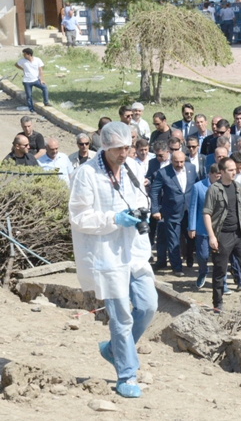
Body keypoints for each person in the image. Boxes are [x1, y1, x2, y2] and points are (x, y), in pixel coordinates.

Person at [68, 121, 157, 398]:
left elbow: (142, 198)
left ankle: (113, 349)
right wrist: (114, 219)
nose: (124, 153)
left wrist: (141, 211)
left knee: (148, 306)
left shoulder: (132, 167)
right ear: (105, 146)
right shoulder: (87, 174)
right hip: (106, 253)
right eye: (118, 148)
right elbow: (79, 216)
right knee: (121, 317)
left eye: (127, 147)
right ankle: (127, 374)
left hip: (135, 250)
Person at [203, 157, 241, 311]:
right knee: (220, 270)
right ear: (222, 171)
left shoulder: (238, 187)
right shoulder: (214, 189)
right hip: (222, 235)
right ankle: (217, 304)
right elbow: (207, 213)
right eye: (231, 170)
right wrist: (212, 236)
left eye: (235, 169)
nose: (235, 172)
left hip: (239, 233)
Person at [150, 150, 197, 276]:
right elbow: (154, 191)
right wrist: (155, 209)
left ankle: (189, 257)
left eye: (182, 162)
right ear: (171, 161)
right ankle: (177, 267)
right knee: (173, 240)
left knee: (190, 237)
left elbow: (196, 185)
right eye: (176, 162)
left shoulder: (191, 169)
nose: (180, 164)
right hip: (171, 211)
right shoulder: (163, 173)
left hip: (189, 210)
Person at [15, 48, 52, 113]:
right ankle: (31, 110)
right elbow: (16, 65)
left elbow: (40, 70)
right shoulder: (22, 61)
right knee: (29, 96)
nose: (24, 55)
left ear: (29, 54)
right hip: (27, 81)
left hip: (36, 80)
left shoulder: (37, 60)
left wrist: (41, 80)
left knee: (44, 87)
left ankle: (46, 102)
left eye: (25, 54)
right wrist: (22, 69)